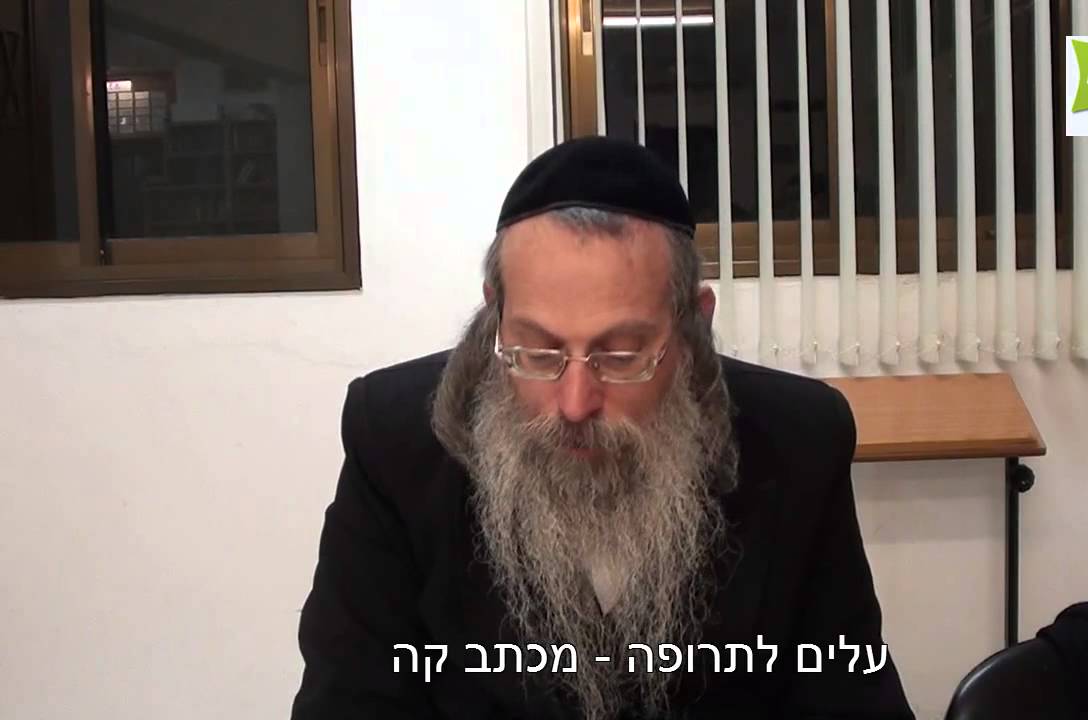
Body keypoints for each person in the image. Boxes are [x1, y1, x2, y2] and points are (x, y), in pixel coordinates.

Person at [291, 137, 914, 720]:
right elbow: (348, 701)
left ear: (694, 326)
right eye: (537, 352)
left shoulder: (798, 440)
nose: (574, 402)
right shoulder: (395, 438)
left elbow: (849, 695)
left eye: (621, 356)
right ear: (495, 315)